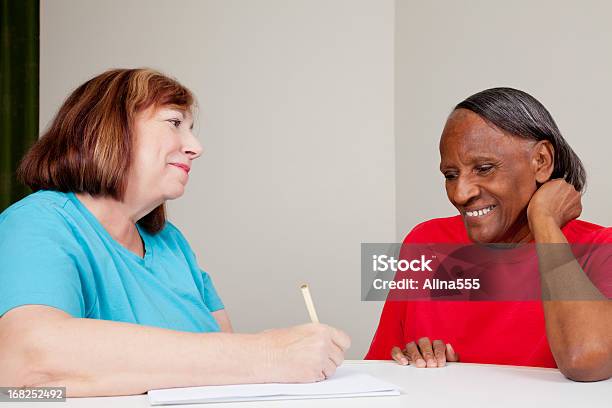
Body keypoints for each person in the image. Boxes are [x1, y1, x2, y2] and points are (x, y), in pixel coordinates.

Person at [0, 68, 350, 396]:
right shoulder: (35, 224)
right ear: (105, 130)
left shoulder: (171, 243)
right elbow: (27, 365)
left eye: (191, 128)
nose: (196, 147)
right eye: (174, 122)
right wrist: (271, 354)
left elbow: (226, 366)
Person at [365, 88, 611, 382]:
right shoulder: (425, 241)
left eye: (483, 168)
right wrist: (414, 363)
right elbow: (378, 372)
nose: (460, 193)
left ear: (542, 161)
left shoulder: (601, 248)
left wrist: (544, 221)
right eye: (450, 175)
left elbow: (585, 361)